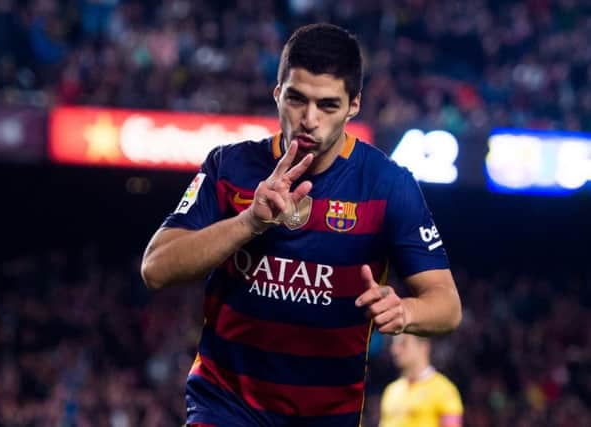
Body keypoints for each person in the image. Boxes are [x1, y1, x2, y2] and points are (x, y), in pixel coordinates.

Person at [141, 23, 461, 427]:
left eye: (328, 105)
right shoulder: (229, 167)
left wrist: (405, 311)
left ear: (354, 105)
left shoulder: (388, 186)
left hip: (327, 417)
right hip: (226, 405)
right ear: (277, 94)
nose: (308, 119)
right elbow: (155, 269)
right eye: (296, 99)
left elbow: (447, 306)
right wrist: (249, 222)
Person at [379, 335, 463, 427]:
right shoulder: (391, 391)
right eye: (394, 345)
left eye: (403, 343)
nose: (395, 350)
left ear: (424, 347)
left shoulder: (445, 391)